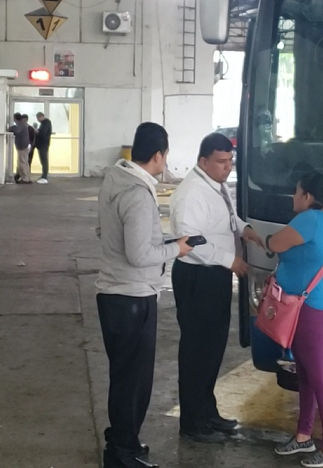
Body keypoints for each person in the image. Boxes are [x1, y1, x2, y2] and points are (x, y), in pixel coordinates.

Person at [96, 122, 193, 468]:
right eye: (165, 156)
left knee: (125, 376)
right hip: (132, 297)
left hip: (114, 293)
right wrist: (176, 250)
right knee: (133, 382)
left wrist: (162, 244)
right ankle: (122, 454)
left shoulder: (115, 178)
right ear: (158, 156)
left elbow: (107, 232)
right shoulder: (137, 194)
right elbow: (139, 255)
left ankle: (123, 441)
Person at [168, 133, 263, 443]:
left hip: (217, 276)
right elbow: (191, 240)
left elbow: (226, 216)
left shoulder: (216, 185)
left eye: (230, 161)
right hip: (198, 277)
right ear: (203, 161)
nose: (228, 168)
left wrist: (243, 228)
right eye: (221, 162)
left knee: (213, 349)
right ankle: (192, 422)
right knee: (197, 351)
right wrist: (228, 260)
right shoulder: (191, 193)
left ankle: (208, 412)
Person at [264, 172, 323, 468]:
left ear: (308, 196)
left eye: (296, 192)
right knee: (306, 375)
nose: (293, 198)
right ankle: (303, 436)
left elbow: (275, 243)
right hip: (311, 309)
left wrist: (265, 239)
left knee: (319, 378)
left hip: (307, 311)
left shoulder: (310, 220)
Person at [8, 113, 31, 184]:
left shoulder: (21, 124)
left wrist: (9, 128)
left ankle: (25, 179)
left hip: (22, 147)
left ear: (15, 118)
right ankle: (24, 177)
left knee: (22, 163)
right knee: (23, 162)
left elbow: (17, 130)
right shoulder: (22, 124)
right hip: (24, 146)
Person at [34, 112, 52, 184]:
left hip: (43, 144)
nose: (38, 120)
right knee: (43, 160)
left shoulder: (46, 123)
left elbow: (42, 133)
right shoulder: (44, 123)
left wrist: (36, 131)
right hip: (42, 144)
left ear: (41, 117)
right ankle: (44, 175)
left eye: (38, 118)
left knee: (44, 160)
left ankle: (45, 176)